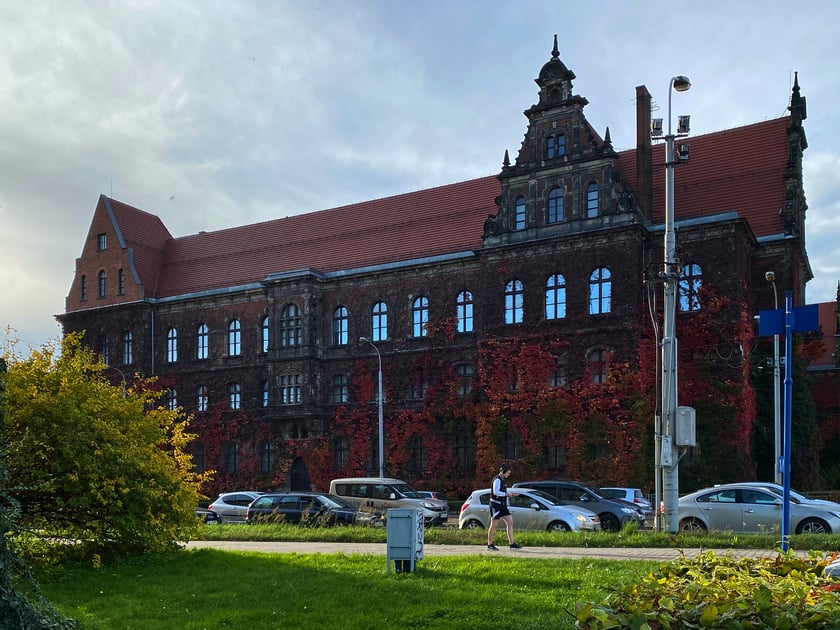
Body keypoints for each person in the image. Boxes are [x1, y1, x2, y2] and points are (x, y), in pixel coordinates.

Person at [487, 465, 521, 550]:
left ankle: (512, 544)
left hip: (502, 505)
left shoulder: (503, 480)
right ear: (503, 472)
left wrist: (512, 494)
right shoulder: (497, 480)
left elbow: (503, 491)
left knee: (510, 522)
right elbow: (496, 492)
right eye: (508, 473)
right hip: (496, 505)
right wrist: (506, 494)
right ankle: (490, 544)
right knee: (494, 525)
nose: (508, 475)